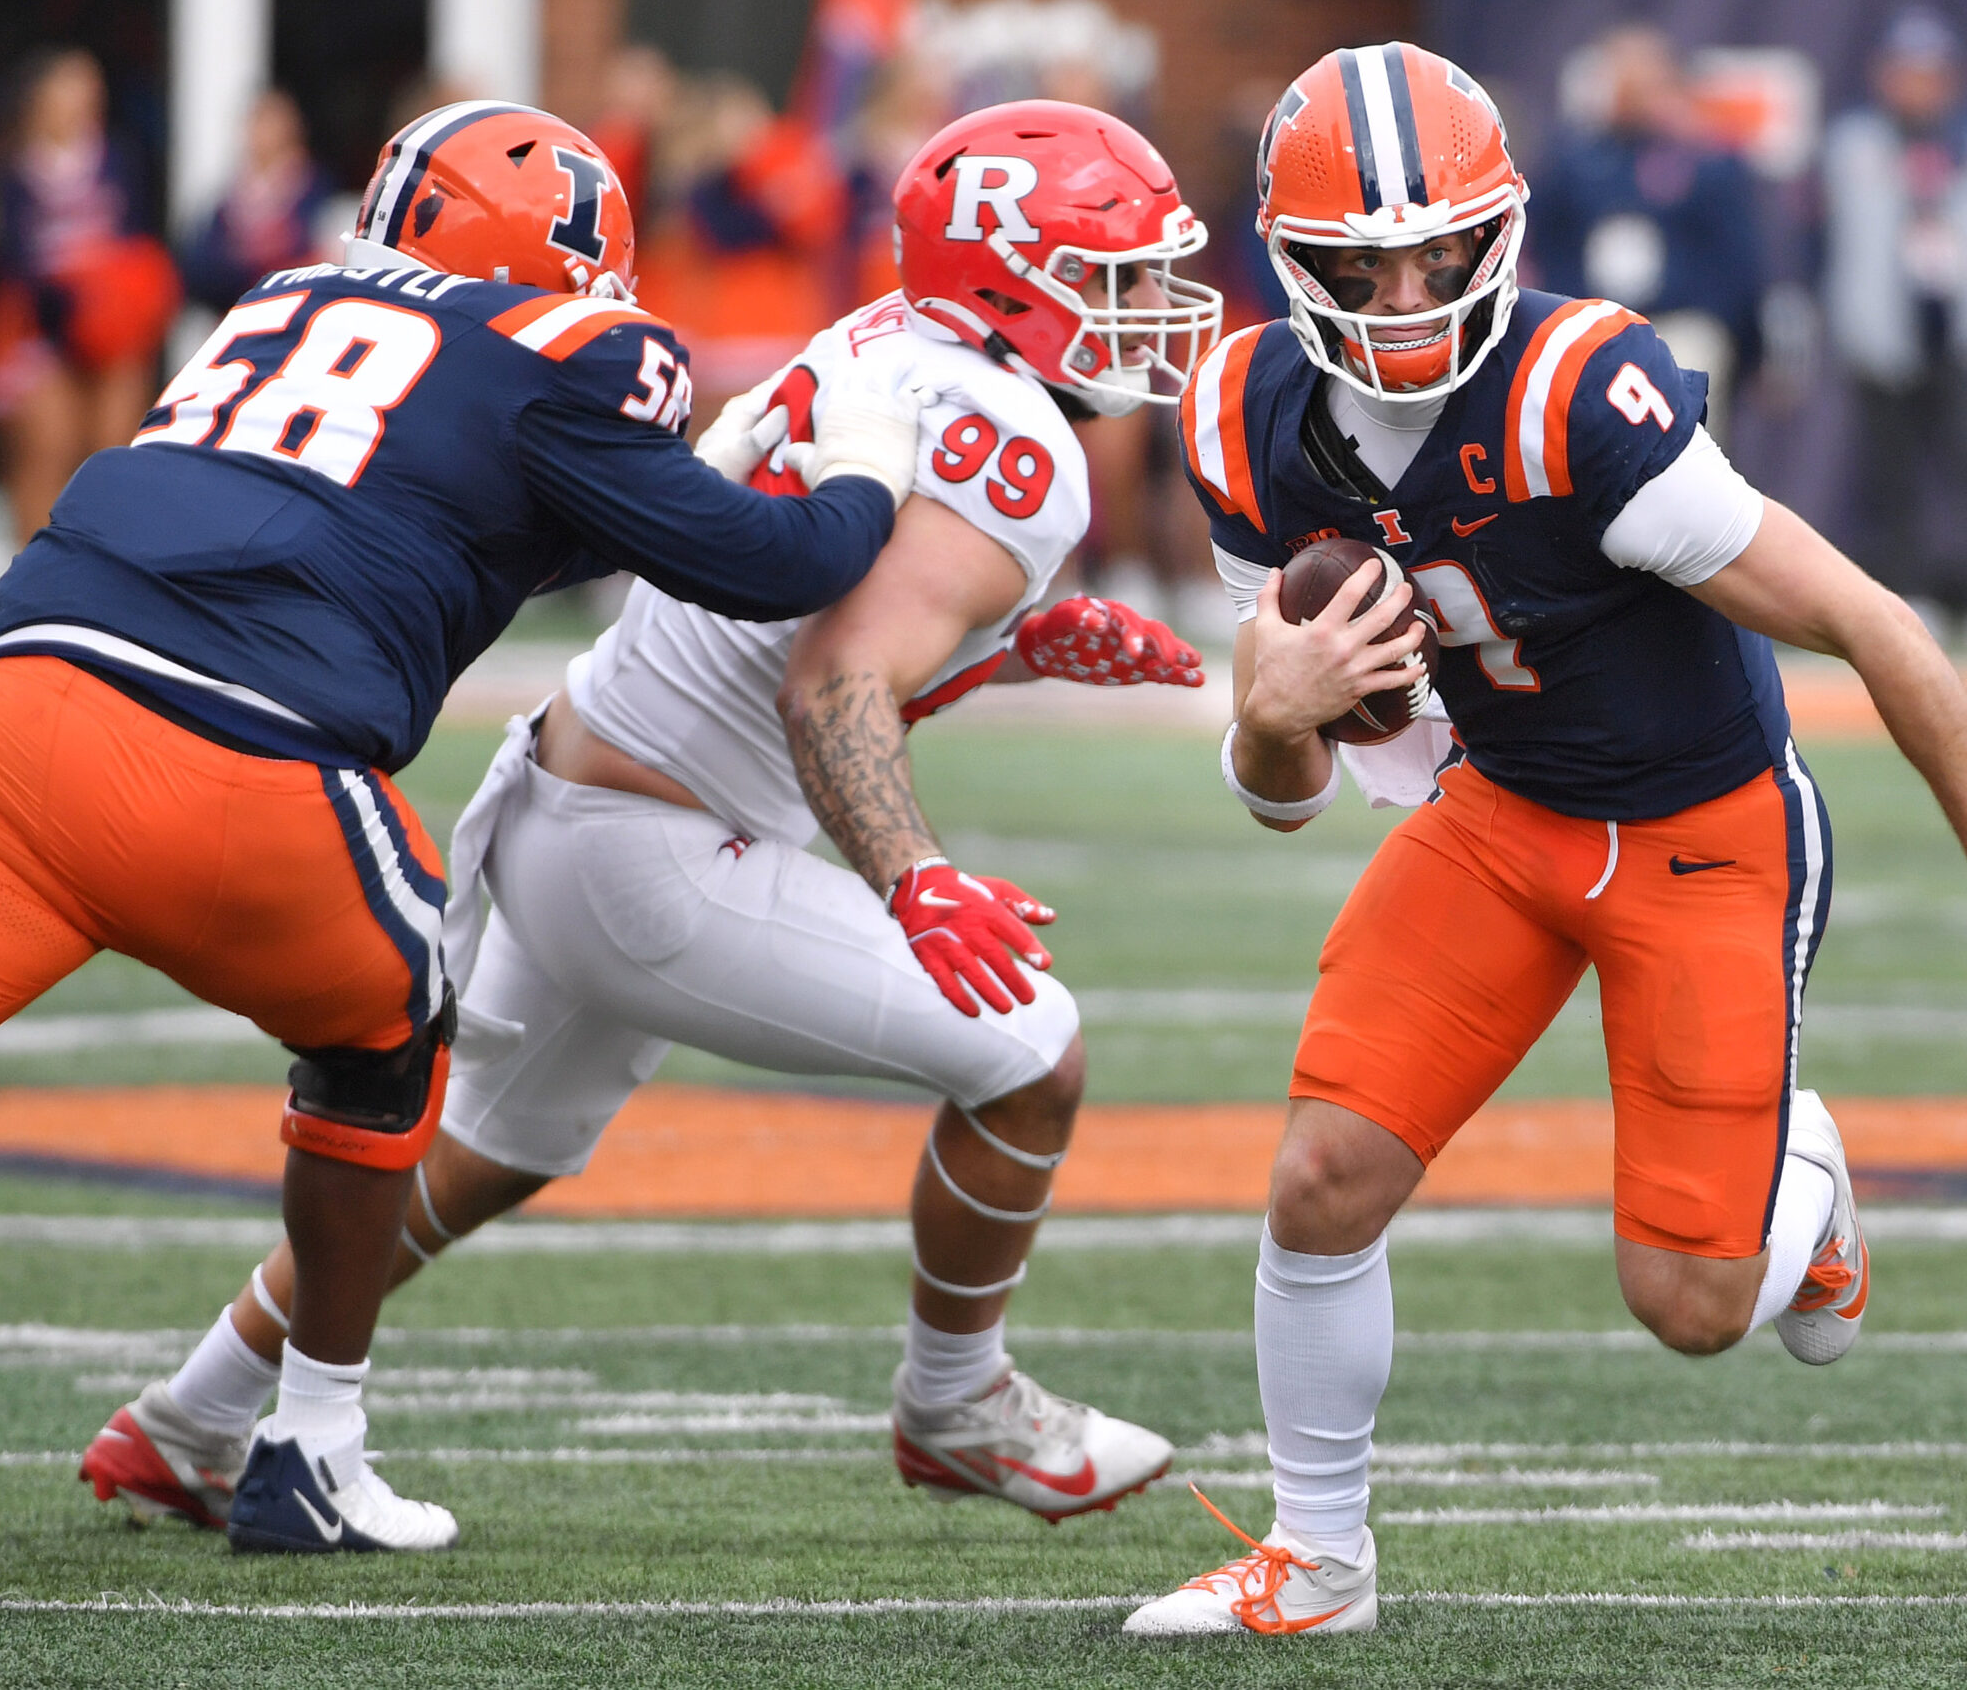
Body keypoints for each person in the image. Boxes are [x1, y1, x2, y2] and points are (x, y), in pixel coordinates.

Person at [0, 101, 925, 1556]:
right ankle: (313, 1442)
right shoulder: (562, 349)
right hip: (249, 762)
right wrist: (867, 462)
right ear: (560, 251)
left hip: (18, 709)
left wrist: (680, 470)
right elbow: (768, 561)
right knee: (388, 1038)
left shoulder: (281, 300)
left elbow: (469, 506)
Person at [1124, 43, 1967, 1637]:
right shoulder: (1245, 416)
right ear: (1293, 260)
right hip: (1500, 810)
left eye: (1439, 250)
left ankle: (1801, 1186)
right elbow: (1302, 785)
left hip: (1703, 831)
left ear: (1501, 231)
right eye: (1364, 261)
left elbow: (1869, 621)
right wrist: (1279, 710)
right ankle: (1320, 1564)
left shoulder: (1577, 399)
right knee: (1326, 1173)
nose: (1406, 293)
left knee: (1687, 1305)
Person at [81, 97, 1225, 1539]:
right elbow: (831, 686)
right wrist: (919, 874)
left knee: (483, 1157)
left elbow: (791, 649)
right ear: (1015, 274)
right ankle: (959, 1399)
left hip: (577, 796)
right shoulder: (1017, 440)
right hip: (655, 854)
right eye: (1118, 276)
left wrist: (1005, 647)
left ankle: (186, 1414)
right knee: (1033, 1055)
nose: (1152, 310)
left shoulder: (884, 342)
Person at [1821, 8, 1967, 670]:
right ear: (1881, 77)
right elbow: (1821, 241)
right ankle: (1906, 594)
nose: (1917, 86)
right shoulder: (1853, 142)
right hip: (1883, 326)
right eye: (1904, 72)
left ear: (1951, 78)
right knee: (1892, 474)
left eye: (1929, 73)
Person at [0, 49, 182, 545]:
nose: (83, 97)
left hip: (111, 326)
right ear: (40, 97)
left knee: (112, 450)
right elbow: (4, 257)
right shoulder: (14, 169)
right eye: (68, 84)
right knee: (45, 448)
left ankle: (106, 574)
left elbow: (141, 242)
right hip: (41, 327)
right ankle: (28, 571)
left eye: (89, 85)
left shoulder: (120, 159)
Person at [1534, 24, 1763, 440]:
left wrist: (1749, 346)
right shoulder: (1577, 161)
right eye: (1621, 74)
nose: (1631, 87)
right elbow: (1543, 244)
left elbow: (1740, 263)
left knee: (1683, 440)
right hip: (1596, 330)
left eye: (1643, 75)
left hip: (1681, 326)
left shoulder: (1706, 160)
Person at [179, 88, 338, 314]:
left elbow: (313, 257)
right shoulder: (231, 198)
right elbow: (199, 266)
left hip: (293, 312)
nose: (263, 133)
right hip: (236, 312)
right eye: (258, 122)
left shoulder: (314, 188)